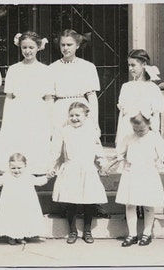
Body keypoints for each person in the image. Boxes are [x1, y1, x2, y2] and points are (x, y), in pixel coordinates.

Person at [49, 29, 109, 218]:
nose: (65, 48)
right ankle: (65, 201)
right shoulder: (52, 68)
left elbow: (92, 96)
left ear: (77, 45)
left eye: (69, 45)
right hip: (60, 109)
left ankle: (91, 200)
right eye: (63, 45)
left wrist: (95, 122)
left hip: (81, 109)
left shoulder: (87, 67)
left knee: (86, 155)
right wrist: (51, 122)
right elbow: (49, 97)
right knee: (63, 156)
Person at [104, 111, 164, 247]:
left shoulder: (155, 138)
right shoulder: (129, 137)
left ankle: (147, 233)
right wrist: (108, 165)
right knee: (130, 204)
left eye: (142, 129)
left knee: (148, 204)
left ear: (149, 124)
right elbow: (119, 154)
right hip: (131, 173)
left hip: (148, 174)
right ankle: (132, 234)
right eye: (135, 129)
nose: (138, 132)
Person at [48, 102, 108, 244]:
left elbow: (97, 149)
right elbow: (55, 151)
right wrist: (50, 166)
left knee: (89, 200)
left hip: (87, 169)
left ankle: (87, 230)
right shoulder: (63, 131)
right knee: (71, 201)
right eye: (71, 115)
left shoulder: (91, 131)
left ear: (86, 116)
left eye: (78, 115)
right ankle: (72, 230)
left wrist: (103, 163)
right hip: (70, 169)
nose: (74, 118)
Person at [116, 49, 164, 220]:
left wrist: (154, 132)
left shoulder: (152, 88)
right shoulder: (126, 87)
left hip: (145, 132)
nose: (131, 68)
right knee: (131, 170)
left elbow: (156, 113)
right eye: (129, 65)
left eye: (134, 65)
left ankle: (145, 208)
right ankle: (133, 206)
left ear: (144, 65)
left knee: (144, 170)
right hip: (129, 131)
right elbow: (123, 114)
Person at [0, 31, 53, 174]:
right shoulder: (14, 69)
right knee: (18, 142)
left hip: (37, 111)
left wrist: (49, 121)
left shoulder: (45, 70)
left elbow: (48, 98)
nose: (27, 51)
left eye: (31, 47)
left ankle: (36, 172)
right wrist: (7, 120)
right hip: (18, 111)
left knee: (35, 141)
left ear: (38, 48)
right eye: (24, 48)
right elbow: (9, 97)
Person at [0, 153, 49, 245]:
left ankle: (21, 236)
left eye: (19, 168)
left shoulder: (28, 176)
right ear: (9, 167)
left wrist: (48, 177)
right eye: (13, 168)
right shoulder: (7, 176)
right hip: (10, 204)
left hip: (24, 204)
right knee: (11, 219)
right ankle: (11, 236)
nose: (16, 171)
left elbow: (39, 182)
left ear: (25, 166)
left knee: (22, 219)